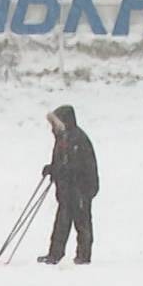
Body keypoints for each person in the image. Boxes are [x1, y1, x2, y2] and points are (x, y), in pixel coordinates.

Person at [39, 105, 98, 266]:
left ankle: (83, 256)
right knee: (61, 223)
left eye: (55, 124)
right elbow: (61, 162)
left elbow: (82, 166)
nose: (53, 128)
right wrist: (52, 168)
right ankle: (54, 254)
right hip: (67, 190)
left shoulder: (78, 139)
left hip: (81, 189)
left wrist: (63, 170)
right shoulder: (62, 138)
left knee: (82, 222)